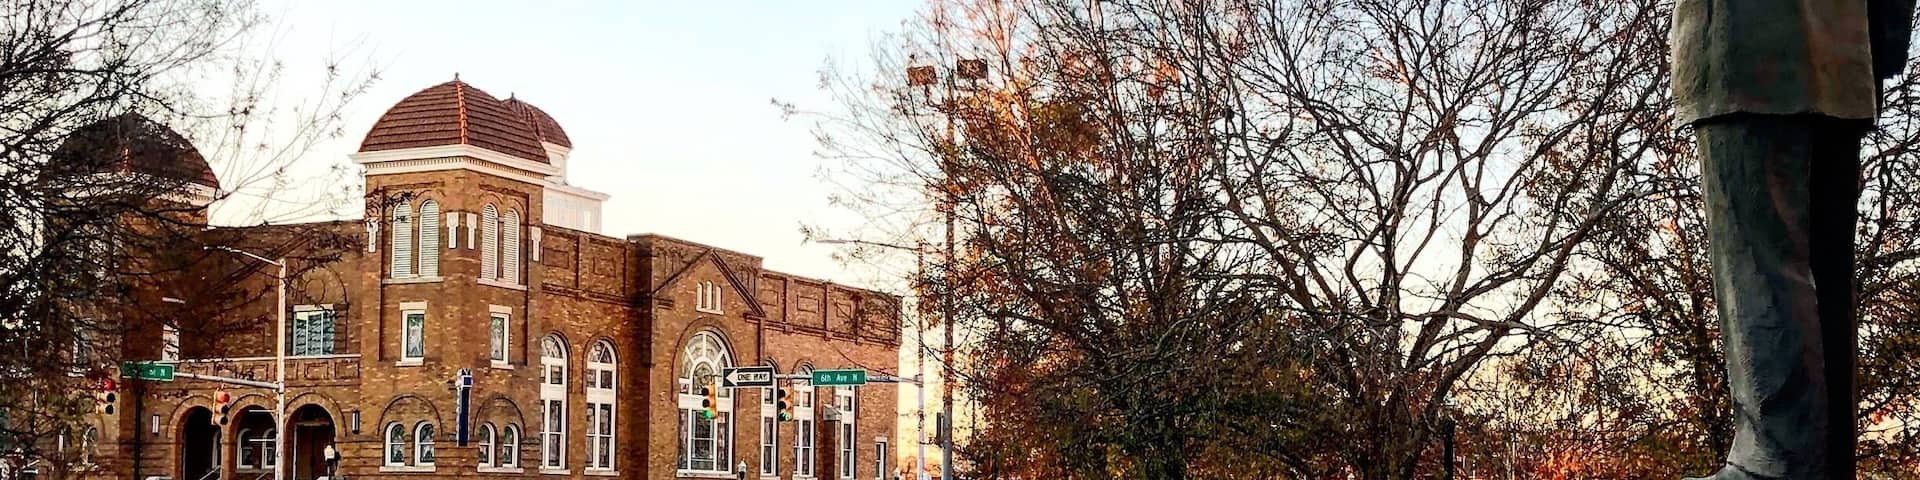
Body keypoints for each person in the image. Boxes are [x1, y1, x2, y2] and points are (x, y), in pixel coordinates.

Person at [1671, 0, 1915, 478]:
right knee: (1826, 281)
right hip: (1844, 63)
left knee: (1757, 260)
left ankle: (1771, 463)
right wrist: (1877, 43)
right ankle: (1820, 464)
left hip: (1743, 45)